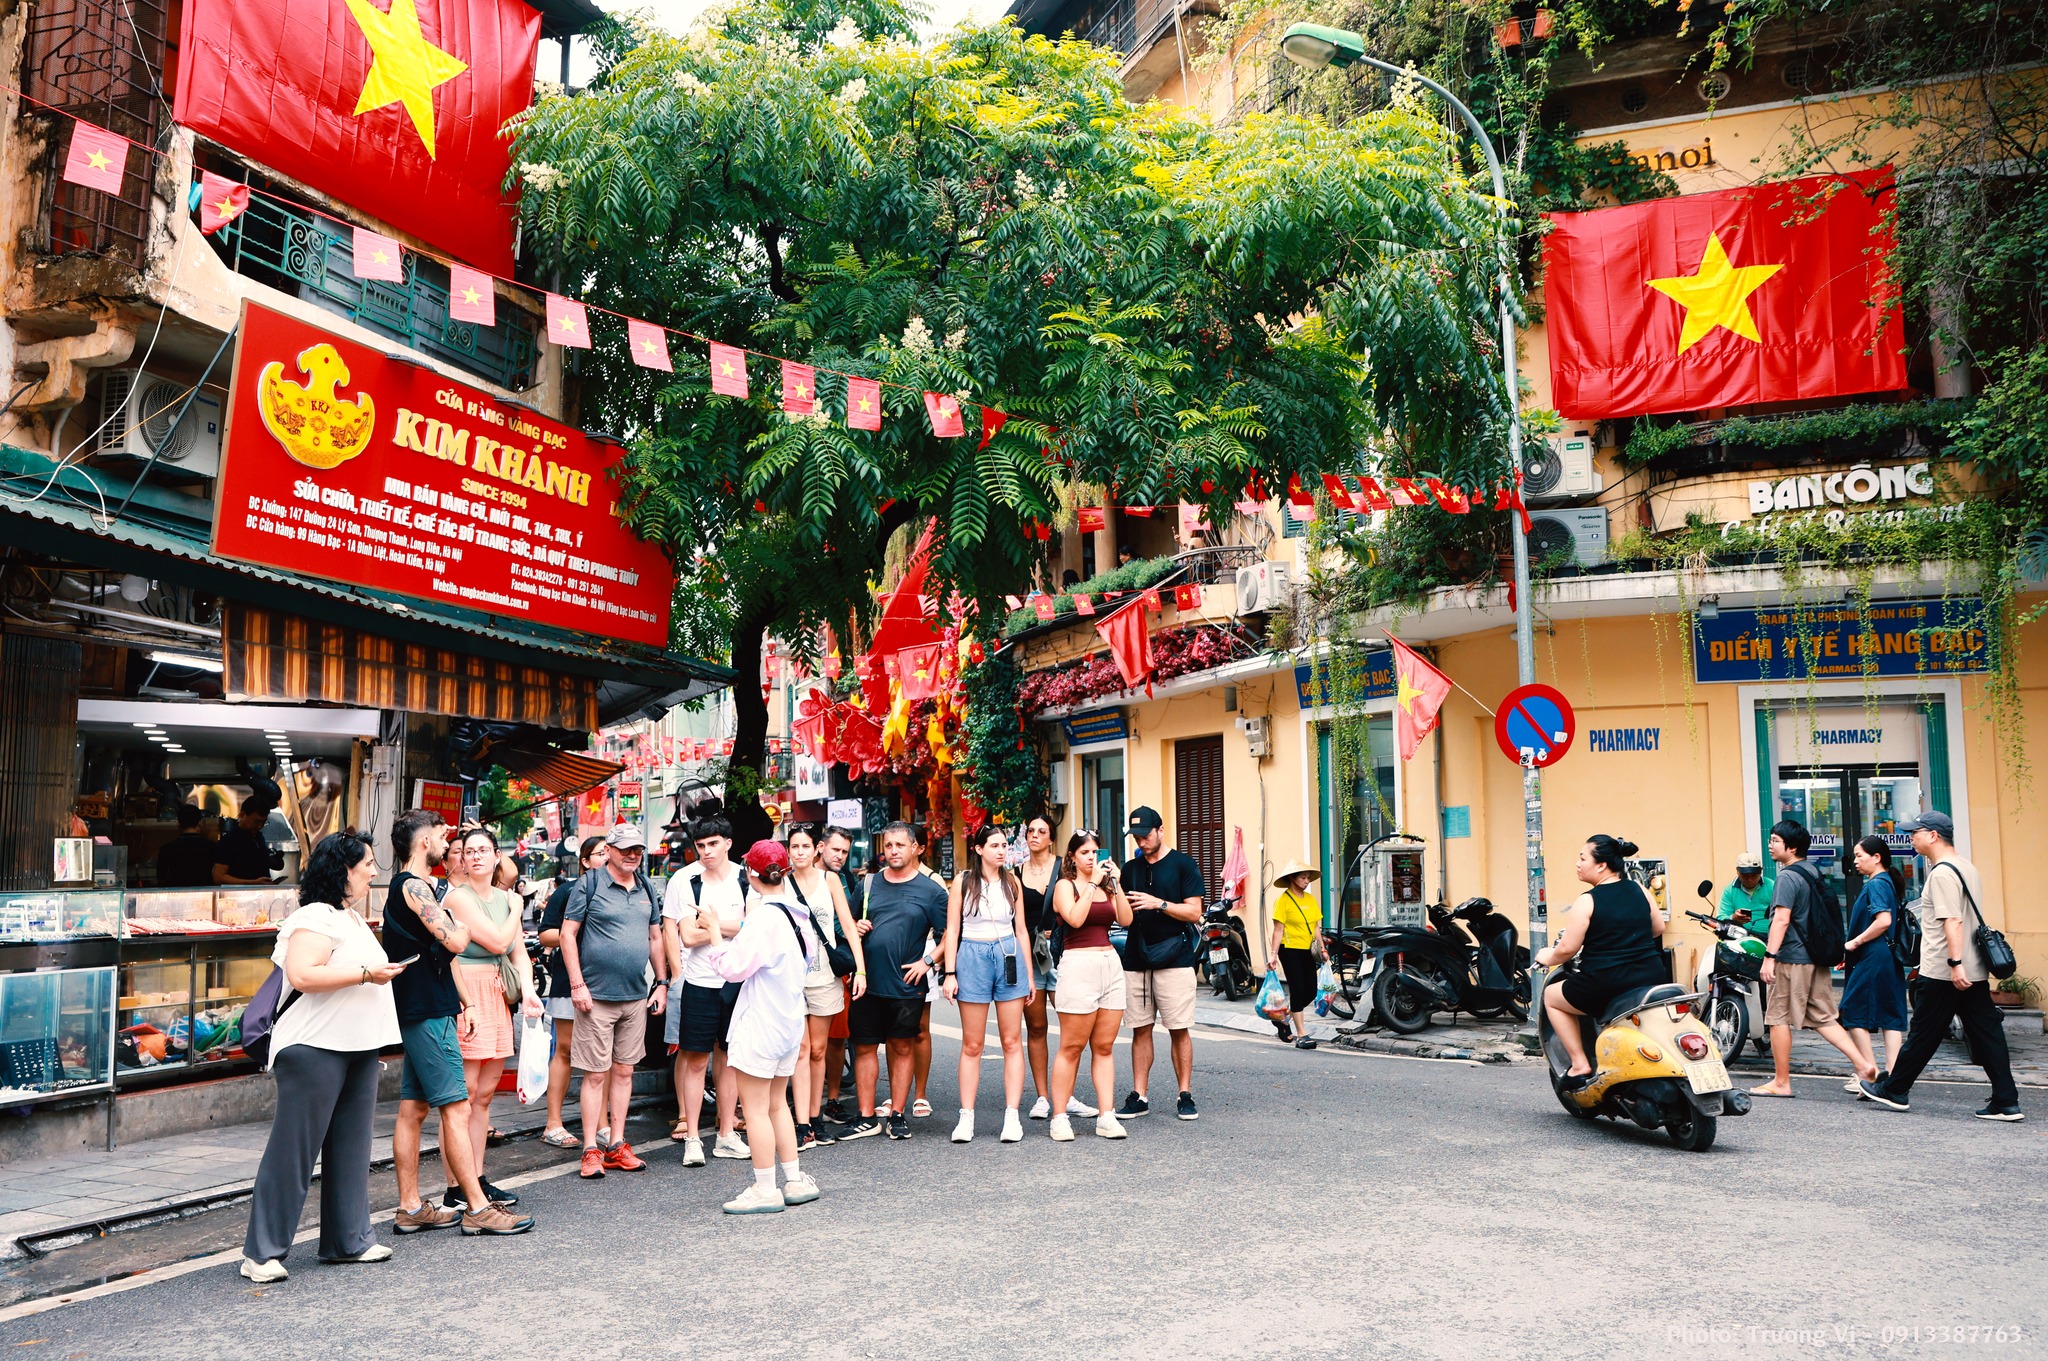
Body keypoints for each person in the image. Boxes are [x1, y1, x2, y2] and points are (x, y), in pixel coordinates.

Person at [240, 830, 403, 1282]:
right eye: (366, 863)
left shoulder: (349, 917)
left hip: (358, 1045)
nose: (372, 871)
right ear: (343, 870)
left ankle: (349, 1240)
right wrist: (367, 973)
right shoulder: (315, 916)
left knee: (352, 1147)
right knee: (293, 1151)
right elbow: (303, 974)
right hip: (314, 1046)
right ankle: (261, 1253)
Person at [382, 810, 531, 1236]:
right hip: (427, 1009)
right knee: (457, 1106)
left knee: (414, 1108)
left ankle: (411, 1207)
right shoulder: (413, 887)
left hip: (431, 1004)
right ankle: (476, 1206)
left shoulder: (420, 887)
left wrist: (465, 1002)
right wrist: (458, 929)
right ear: (424, 842)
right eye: (442, 836)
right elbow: (455, 940)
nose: (449, 844)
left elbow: (447, 952)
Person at [1860, 812, 2023, 1121]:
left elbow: (1953, 921)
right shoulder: (1966, 867)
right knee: (1987, 1033)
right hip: (1971, 967)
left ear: (1933, 835)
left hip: (1945, 969)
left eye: (1915, 832)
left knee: (1924, 1033)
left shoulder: (1942, 873)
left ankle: (1895, 1089)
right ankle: (2006, 1100)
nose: (1911, 838)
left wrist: (1955, 964)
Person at [703, 840, 820, 1213]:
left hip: (760, 1023)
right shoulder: (799, 914)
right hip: (788, 1021)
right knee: (777, 1105)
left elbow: (731, 968)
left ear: (751, 874)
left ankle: (766, 1188)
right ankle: (794, 1180)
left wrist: (714, 932)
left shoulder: (763, 918)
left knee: (754, 1110)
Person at [561, 822, 670, 1178]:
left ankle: (617, 1145)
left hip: (635, 995)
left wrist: (662, 983)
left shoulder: (646, 887)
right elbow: (567, 934)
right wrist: (577, 984)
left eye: (637, 849)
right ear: (608, 850)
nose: (632, 855)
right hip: (595, 996)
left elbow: (655, 937)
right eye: (625, 849)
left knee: (624, 1071)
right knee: (595, 1074)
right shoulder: (590, 883)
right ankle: (590, 1149)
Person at [442, 826, 538, 1210]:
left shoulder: (502, 898)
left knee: (484, 1095)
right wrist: (516, 909)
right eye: (470, 851)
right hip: (467, 994)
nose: (477, 856)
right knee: (462, 1095)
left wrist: (529, 991)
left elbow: (518, 953)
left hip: (497, 994)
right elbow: (498, 941)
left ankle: (477, 1179)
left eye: (484, 850)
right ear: (462, 861)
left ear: (497, 856)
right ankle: (456, 1186)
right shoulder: (458, 898)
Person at [1751, 819, 1879, 1098]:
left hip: (1791, 958)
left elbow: (1782, 919)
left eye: (1775, 840)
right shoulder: (1812, 872)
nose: (1770, 845)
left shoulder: (1787, 877)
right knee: (1823, 1018)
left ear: (1792, 847)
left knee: (1777, 1017)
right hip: (1815, 958)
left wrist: (1769, 957)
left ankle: (1781, 1082)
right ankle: (1864, 1066)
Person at [1535, 835, 1670, 1086]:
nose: (1578, 864)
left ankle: (1580, 1065)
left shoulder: (1587, 900)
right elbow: (1658, 928)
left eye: (1582, 858)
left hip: (1607, 983)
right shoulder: (1639, 889)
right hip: (1651, 976)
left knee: (1551, 997)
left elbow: (1567, 949)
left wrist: (1546, 956)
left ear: (1601, 866)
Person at [844, 822, 948, 1141]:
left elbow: (950, 935)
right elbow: (847, 923)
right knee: (864, 1047)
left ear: (915, 848)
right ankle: (866, 1116)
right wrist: (857, 926)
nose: (893, 851)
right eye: (888, 845)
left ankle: (897, 1114)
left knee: (902, 1047)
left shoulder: (931, 891)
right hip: (866, 981)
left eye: (900, 845)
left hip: (906, 984)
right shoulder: (869, 883)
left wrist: (928, 961)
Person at [662, 802, 751, 1168]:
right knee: (696, 1059)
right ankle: (694, 1139)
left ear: (728, 843)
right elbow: (686, 935)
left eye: (713, 844)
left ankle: (727, 1134)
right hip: (699, 981)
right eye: (701, 846)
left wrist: (712, 924)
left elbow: (754, 926)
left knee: (729, 1059)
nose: (707, 851)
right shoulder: (685, 880)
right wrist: (732, 926)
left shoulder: (746, 878)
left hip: (737, 981)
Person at [941, 823, 1036, 1143]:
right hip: (972, 956)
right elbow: (952, 930)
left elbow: (1021, 930)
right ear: (979, 849)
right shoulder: (963, 882)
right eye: (994, 845)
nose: (1001, 850)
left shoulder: (1012, 882)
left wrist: (1029, 975)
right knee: (972, 1044)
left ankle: (1012, 1115)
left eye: (1004, 845)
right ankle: (966, 1116)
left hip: (1008, 954)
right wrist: (950, 973)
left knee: (1012, 1041)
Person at [1118, 806, 1205, 1121]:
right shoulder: (1130, 869)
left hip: (1175, 958)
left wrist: (1160, 904)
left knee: (1179, 1028)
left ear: (1161, 830)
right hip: (1136, 958)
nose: (1141, 842)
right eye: (1136, 837)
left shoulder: (1183, 864)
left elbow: (1194, 912)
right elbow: (1123, 917)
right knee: (1140, 1029)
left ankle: (1185, 1094)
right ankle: (1139, 1095)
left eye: (1145, 835)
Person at [1048, 830, 1133, 1140]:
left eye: (1095, 852)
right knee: (1071, 1046)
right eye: (1085, 852)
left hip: (1109, 963)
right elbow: (1074, 919)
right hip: (1078, 964)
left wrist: (1117, 884)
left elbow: (1126, 920)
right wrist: (1093, 884)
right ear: (1072, 857)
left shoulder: (1107, 886)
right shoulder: (1065, 886)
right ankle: (1059, 1117)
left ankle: (1106, 1115)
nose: (1091, 858)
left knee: (1104, 1046)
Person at [788, 824, 865, 1147]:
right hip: (790, 980)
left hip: (824, 977)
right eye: (795, 847)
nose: (800, 852)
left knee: (818, 1050)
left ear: (815, 848)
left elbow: (848, 924)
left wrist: (860, 970)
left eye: (805, 846)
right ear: (788, 851)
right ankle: (802, 1123)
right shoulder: (781, 882)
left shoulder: (829, 880)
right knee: (801, 1051)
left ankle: (816, 1117)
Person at [1018, 815, 1093, 1120]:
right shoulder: (1016, 872)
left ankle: (1068, 1094)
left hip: (1063, 951)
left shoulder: (1064, 867)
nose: (1035, 835)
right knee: (1036, 1027)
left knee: (1071, 1029)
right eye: (1030, 830)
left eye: (1042, 831)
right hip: (1030, 954)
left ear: (1051, 838)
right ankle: (1042, 1097)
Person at [535, 837, 606, 1148]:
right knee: (564, 1049)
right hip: (569, 980)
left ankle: (603, 1125)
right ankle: (553, 1123)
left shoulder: (623, 890)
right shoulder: (567, 891)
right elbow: (546, 934)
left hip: (609, 985)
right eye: (601, 853)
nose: (607, 857)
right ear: (586, 861)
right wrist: (574, 933)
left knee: (603, 1056)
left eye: (610, 851)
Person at [1839, 835, 1910, 1089]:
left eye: (1859, 855)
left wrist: (1855, 943)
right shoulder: (1888, 881)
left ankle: (1869, 1073)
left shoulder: (1877, 884)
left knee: (1851, 1011)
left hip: (1872, 954)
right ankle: (1892, 1078)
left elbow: (1883, 921)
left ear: (1876, 857)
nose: (1855, 861)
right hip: (1887, 956)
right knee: (1890, 1015)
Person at [817, 826, 860, 1122]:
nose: (840, 856)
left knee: (836, 1038)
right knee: (805, 1043)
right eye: (835, 849)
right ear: (821, 847)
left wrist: (857, 926)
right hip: (804, 965)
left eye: (845, 851)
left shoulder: (845, 878)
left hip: (836, 966)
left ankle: (832, 1100)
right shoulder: (799, 878)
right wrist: (849, 927)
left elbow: (846, 919)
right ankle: (805, 1108)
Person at [1268, 860, 1326, 1050]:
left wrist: (1323, 949)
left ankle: (1284, 1019)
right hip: (1289, 949)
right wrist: (1273, 955)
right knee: (1297, 988)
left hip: (1308, 949)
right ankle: (1302, 1034)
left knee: (1311, 991)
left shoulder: (1310, 899)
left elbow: (1316, 927)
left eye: (1308, 878)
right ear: (1292, 878)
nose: (1307, 881)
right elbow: (1278, 930)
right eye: (1303, 877)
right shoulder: (1283, 901)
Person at [213, 798, 276, 886]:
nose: (260, 826)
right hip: (239, 893)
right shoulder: (229, 841)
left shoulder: (258, 837)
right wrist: (254, 883)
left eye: (264, 822)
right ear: (243, 815)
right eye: (256, 822)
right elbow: (218, 877)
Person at [155, 803, 216, 888]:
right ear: (200, 823)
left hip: (176, 894)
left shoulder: (166, 849)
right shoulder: (211, 847)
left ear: (178, 824)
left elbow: (161, 879)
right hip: (204, 894)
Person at [1718, 852, 1774, 928]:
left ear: (1760, 871)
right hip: (1739, 933)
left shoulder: (1773, 887)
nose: (1750, 879)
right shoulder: (1729, 891)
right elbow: (1721, 918)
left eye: (1753, 875)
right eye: (1745, 875)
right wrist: (1733, 918)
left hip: (1768, 933)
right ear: (1737, 871)